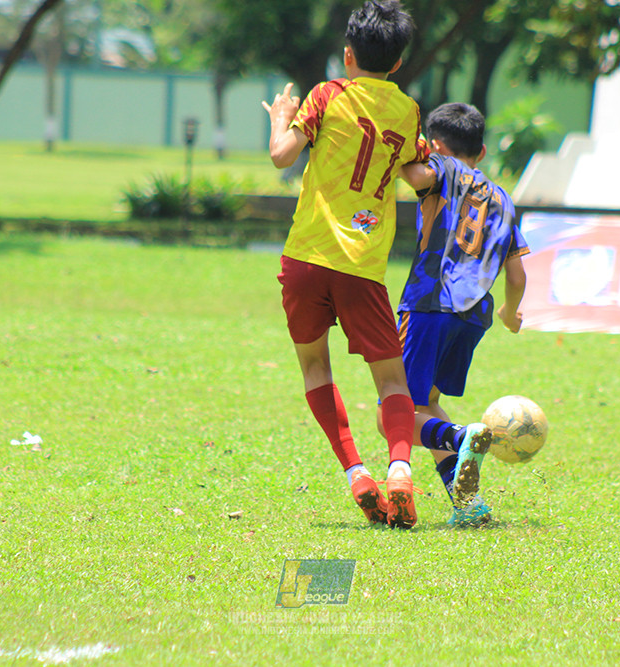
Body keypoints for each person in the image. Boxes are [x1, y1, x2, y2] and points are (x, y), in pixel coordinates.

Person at [261, 0, 429, 529]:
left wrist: (281, 120)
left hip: (306, 259)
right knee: (391, 381)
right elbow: (418, 175)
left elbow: (282, 156)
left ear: (347, 53)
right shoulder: (406, 110)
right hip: (363, 267)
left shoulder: (327, 95)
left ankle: (357, 472)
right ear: (398, 64)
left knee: (315, 367)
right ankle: (399, 467)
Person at [396, 102, 529, 527]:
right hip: (473, 315)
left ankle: (460, 437)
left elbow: (418, 176)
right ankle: (468, 503)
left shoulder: (443, 167)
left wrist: (398, 153)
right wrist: (511, 312)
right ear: (483, 151)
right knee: (427, 403)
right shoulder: (504, 200)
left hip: (430, 303)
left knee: (395, 411)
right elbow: (516, 272)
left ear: (436, 146)